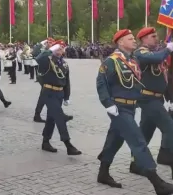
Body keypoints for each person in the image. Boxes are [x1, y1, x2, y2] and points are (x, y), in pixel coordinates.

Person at [96, 29, 173, 194]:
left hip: (130, 107)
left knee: (114, 141)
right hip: (118, 108)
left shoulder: (132, 60)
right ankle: (157, 183)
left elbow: (138, 83)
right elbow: (101, 82)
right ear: (121, 42)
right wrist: (107, 103)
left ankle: (103, 173)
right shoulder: (112, 61)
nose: (133, 41)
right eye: (130, 39)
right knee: (138, 142)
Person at [129, 27, 173, 179]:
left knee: (145, 134)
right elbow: (154, 59)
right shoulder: (140, 52)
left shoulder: (156, 53)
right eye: (153, 36)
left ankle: (136, 163)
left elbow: (163, 76)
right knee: (170, 128)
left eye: (156, 36)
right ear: (144, 39)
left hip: (157, 98)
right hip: (148, 98)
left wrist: (169, 98)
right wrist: (168, 49)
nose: (156, 38)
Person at [36, 39, 81, 156]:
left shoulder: (64, 63)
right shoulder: (47, 60)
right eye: (57, 48)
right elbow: (38, 59)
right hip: (49, 92)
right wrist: (49, 50)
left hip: (59, 94)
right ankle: (68, 145)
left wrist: (67, 97)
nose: (59, 50)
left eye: (61, 48)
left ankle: (45, 142)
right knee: (60, 118)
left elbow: (67, 81)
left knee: (51, 118)